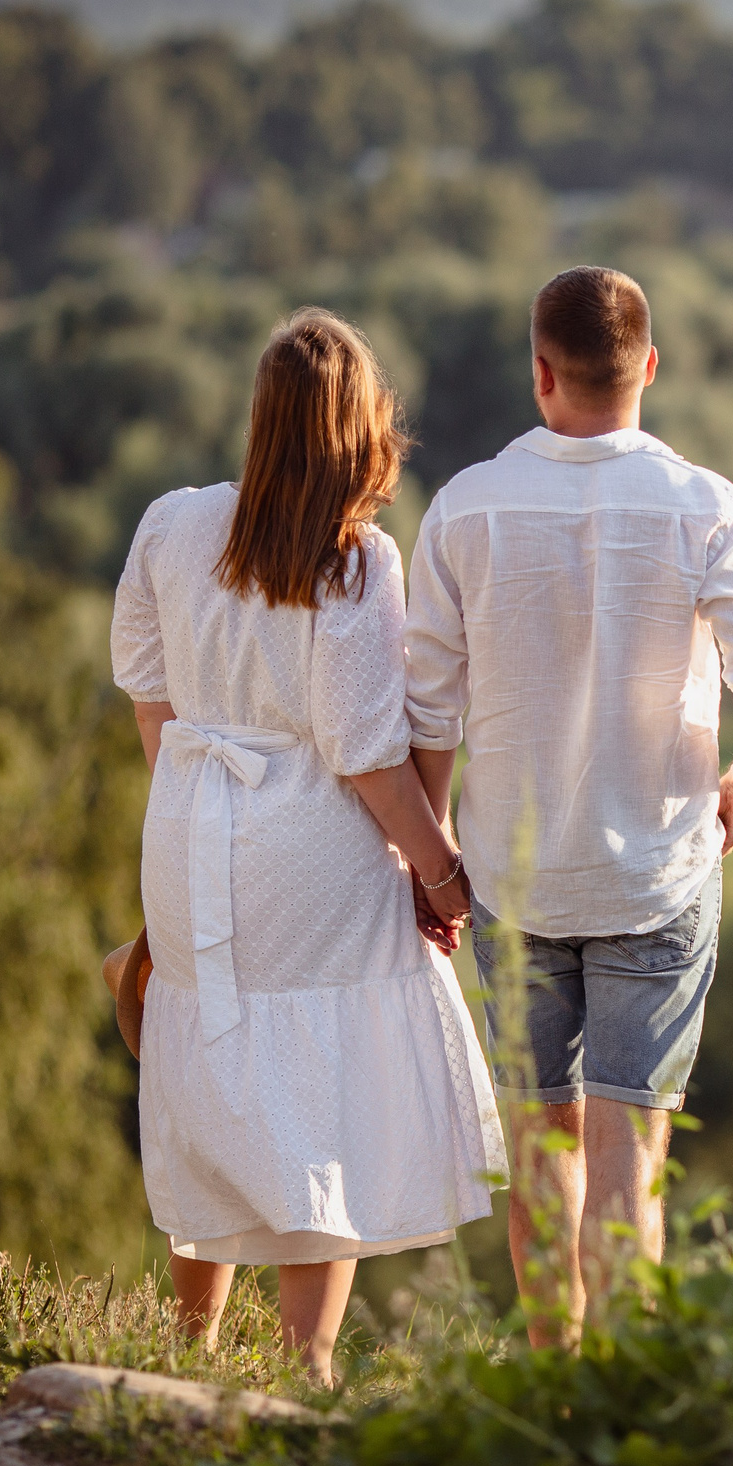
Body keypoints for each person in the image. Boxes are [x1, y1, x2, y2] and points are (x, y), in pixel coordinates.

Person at [405, 265, 733, 1345]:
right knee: (632, 1179)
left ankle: (552, 1387)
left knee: (543, 1161)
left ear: (540, 373)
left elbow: (426, 711)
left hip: (512, 880)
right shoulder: (706, 508)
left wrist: (432, 856)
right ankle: (625, 1411)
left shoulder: (465, 509)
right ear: (650, 369)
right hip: (658, 875)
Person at [110, 308, 507, 1383]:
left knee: (212, 1067)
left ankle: (187, 1343)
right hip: (314, 855)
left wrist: (194, 812)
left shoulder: (173, 524)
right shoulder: (356, 563)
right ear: (359, 431)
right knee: (321, 1091)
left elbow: (149, 695)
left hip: (193, 826)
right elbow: (368, 755)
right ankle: (306, 1363)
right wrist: (442, 871)